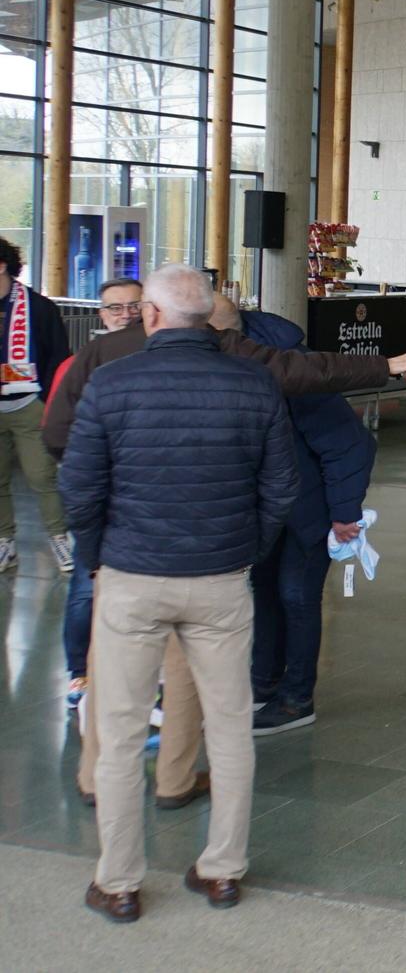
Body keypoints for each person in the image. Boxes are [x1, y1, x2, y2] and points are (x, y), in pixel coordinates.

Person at [51, 298, 406, 809]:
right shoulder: (245, 372)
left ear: (156, 313)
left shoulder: (118, 367)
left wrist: (96, 553)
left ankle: (291, 698)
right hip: (223, 552)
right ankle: (213, 816)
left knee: (287, 600)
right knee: (221, 683)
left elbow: (68, 461)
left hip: (160, 557)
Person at [61, 264, 298, 922]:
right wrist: (245, 548)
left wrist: (95, 559)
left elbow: (78, 487)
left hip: (132, 577)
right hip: (221, 580)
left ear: (153, 316)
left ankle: (119, 881)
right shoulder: (254, 384)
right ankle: (222, 870)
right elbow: (280, 488)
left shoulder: (111, 383)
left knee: (119, 733)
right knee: (229, 731)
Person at [227, 299, 377, 736]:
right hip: (269, 509)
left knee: (296, 594)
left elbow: (348, 443)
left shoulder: (290, 370)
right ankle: (261, 684)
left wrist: (345, 513)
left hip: (311, 508)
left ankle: (297, 698)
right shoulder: (234, 363)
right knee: (266, 589)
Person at [59, 277, 145, 703]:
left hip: (141, 496)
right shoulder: (89, 359)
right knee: (87, 581)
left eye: (134, 306)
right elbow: (59, 430)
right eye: (116, 308)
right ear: (101, 314)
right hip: (102, 491)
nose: (125, 315)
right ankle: (80, 671)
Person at [0, 235, 73, 575]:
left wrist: (46, 401)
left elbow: (59, 357)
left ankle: (60, 539)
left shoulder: (39, 307)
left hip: (29, 404)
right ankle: (5, 543)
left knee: (42, 476)